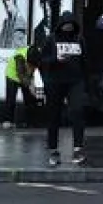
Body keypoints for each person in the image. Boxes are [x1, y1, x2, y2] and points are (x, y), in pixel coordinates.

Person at [31, 12, 88, 167]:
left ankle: (78, 148)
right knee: (54, 115)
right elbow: (42, 60)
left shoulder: (79, 39)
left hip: (75, 81)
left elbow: (85, 61)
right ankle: (53, 149)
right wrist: (56, 60)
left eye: (71, 25)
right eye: (65, 25)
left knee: (77, 111)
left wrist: (86, 83)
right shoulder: (52, 39)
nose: (68, 28)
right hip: (55, 81)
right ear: (61, 25)